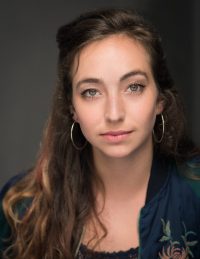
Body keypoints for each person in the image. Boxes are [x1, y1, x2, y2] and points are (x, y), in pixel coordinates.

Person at [0, 8, 200, 259]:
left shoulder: (195, 192)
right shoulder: (22, 207)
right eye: (92, 92)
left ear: (160, 99)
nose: (114, 114)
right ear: (72, 108)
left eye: (134, 87)